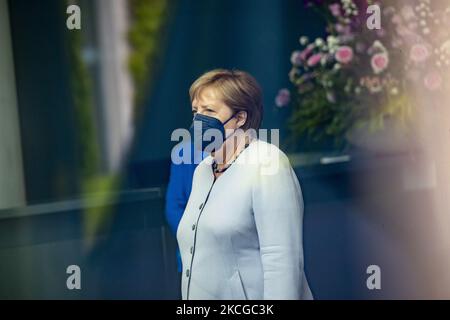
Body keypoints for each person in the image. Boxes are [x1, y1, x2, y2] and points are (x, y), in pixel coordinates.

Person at [176, 69, 313, 300]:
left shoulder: (268, 163)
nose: (199, 120)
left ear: (240, 118)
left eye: (209, 111)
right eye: (195, 111)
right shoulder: (203, 171)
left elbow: (282, 262)